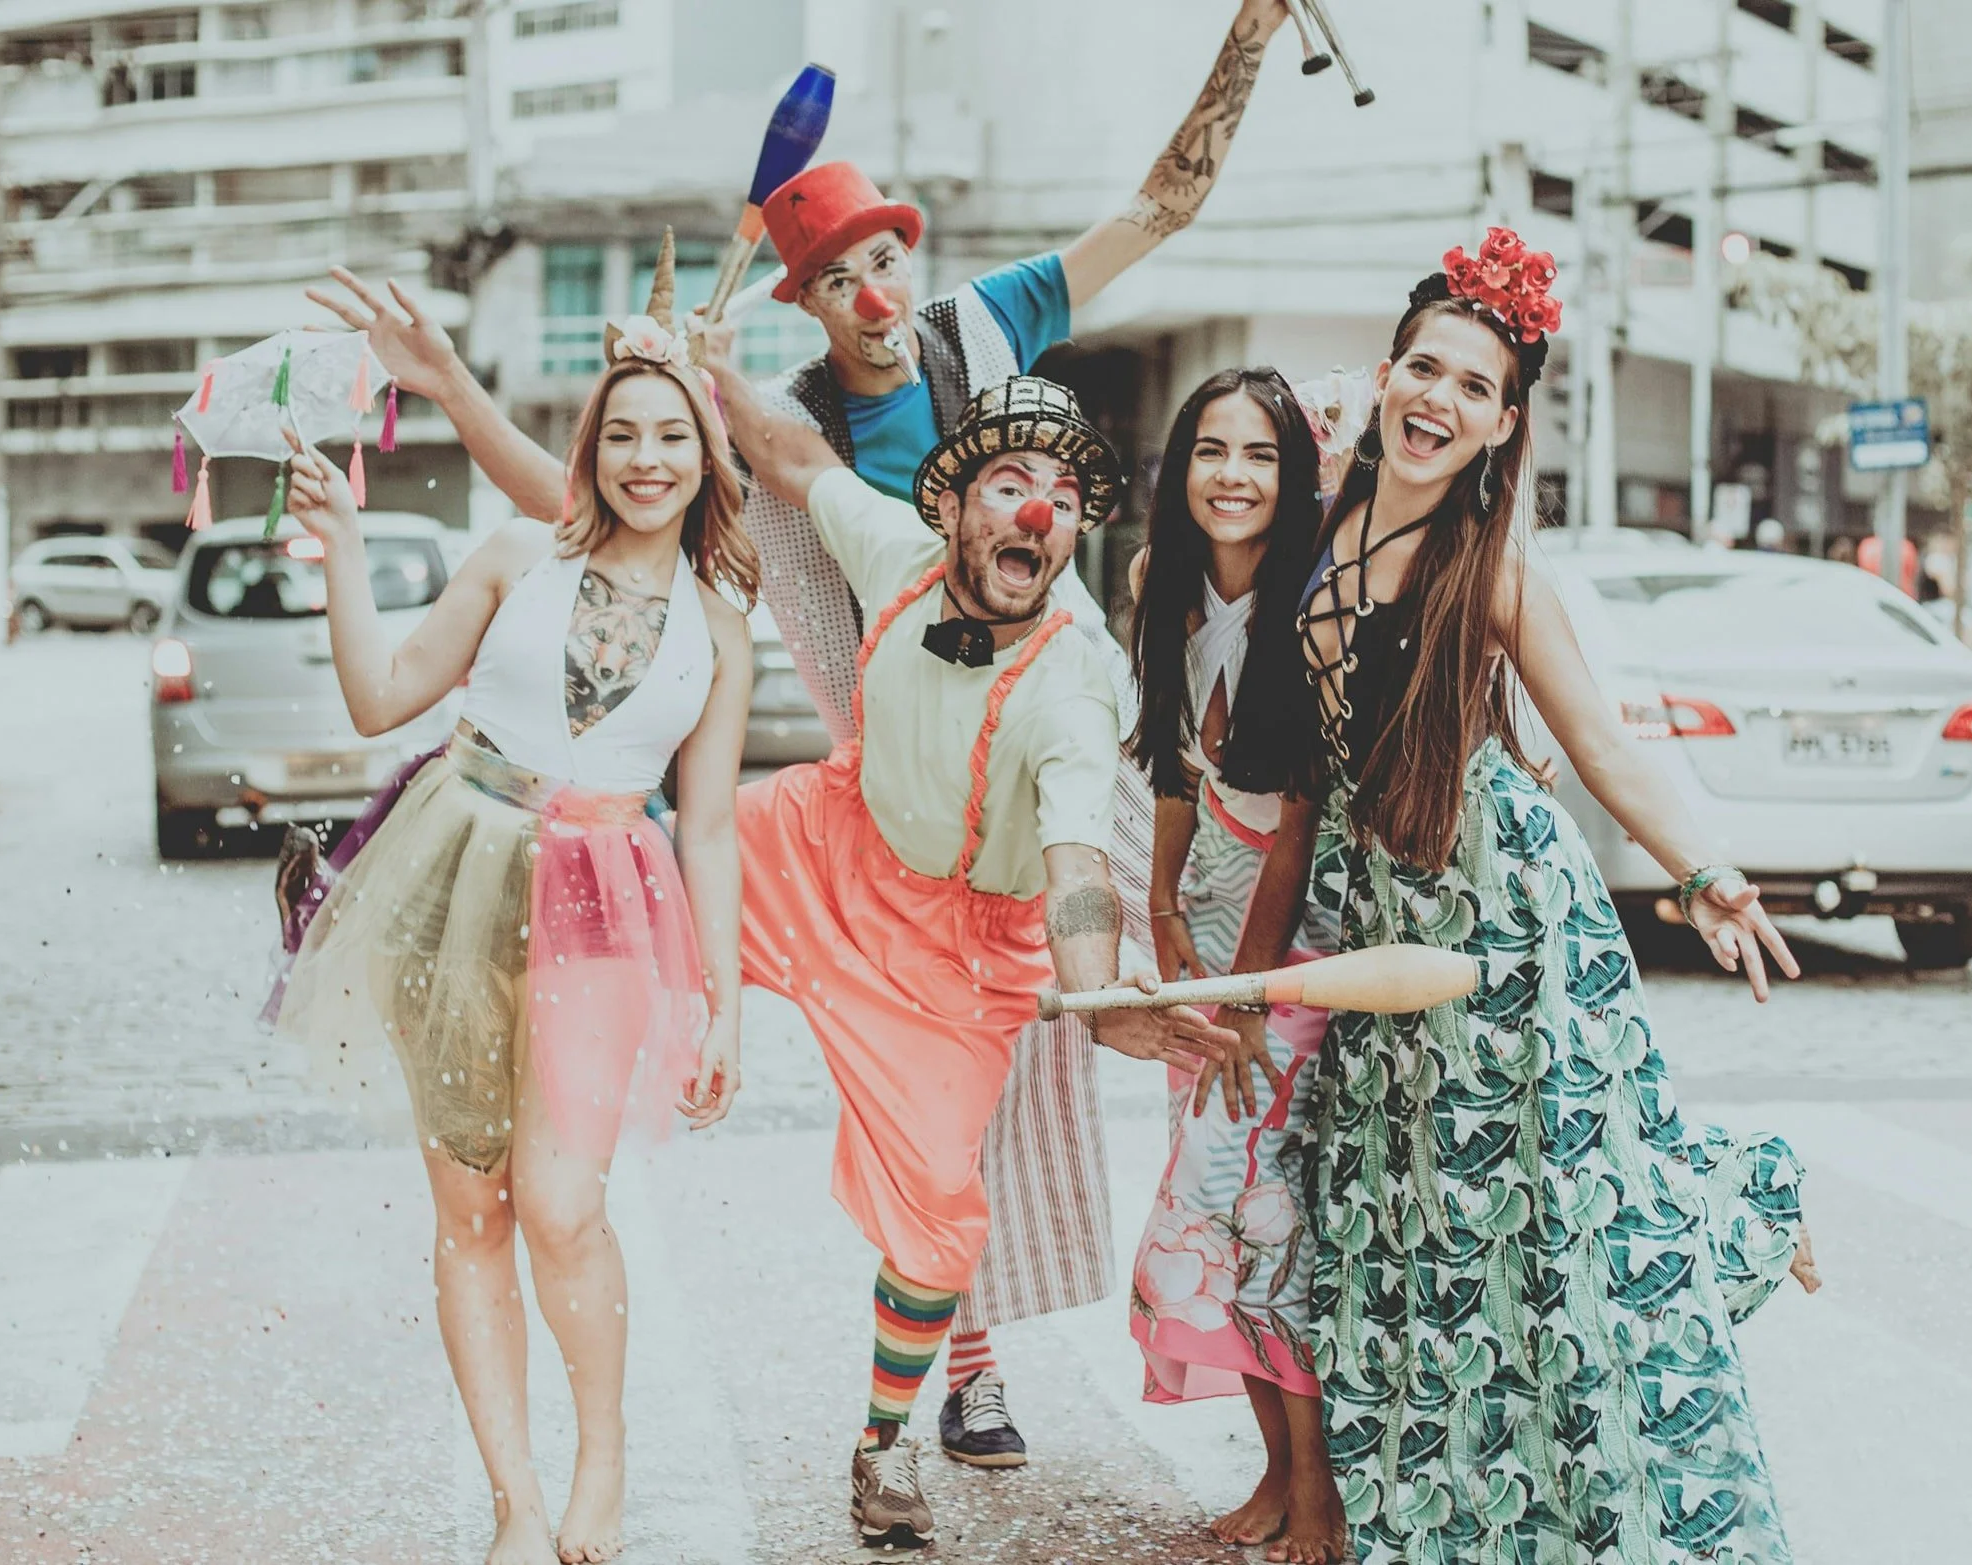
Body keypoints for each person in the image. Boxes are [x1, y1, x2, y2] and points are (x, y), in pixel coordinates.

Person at [307, 0, 1299, 1468]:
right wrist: (638, 393)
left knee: (991, 1092)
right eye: (836, 278)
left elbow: (1160, 203)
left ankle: (962, 1350)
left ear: (915, 259)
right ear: (808, 306)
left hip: (1019, 763)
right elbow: (577, 512)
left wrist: (1247, 38)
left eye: (885, 257)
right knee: (845, 1038)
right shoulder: (790, 440)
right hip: (867, 780)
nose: (874, 293)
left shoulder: (988, 321)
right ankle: (586, 1145)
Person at [1284, 229, 1820, 1562]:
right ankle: (1452, 1512)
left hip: (1512, 926)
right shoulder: (1306, 529)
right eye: (1423, 368)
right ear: (1384, 371)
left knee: (1565, 1216)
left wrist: (1704, 875)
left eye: (1473, 387)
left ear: (1502, 422)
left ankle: (1608, 1482)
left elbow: (1602, 744)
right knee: (1403, 1225)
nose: (1438, 400)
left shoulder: (1497, 574)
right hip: (1377, 928)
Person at [273, 251, 757, 1565]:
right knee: (467, 1206)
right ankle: (515, 1500)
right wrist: (348, 553)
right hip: (451, 875)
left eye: (673, 437)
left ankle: (600, 1457)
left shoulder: (720, 622)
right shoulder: (514, 555)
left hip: (606, 899)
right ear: (587, 448)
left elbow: (707, 825)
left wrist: (721, 1000)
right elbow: (381, 696)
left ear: (707, 458)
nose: (645, 459)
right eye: (621, 434)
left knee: (557, 1199)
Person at [716, 366, 1245, 1550]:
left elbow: (1075, 867)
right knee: (642, 874)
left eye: (1060, 492)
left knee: (940, 1219)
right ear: (950, 506)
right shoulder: (892, 553)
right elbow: (798, 464)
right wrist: (705, 374)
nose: (1039, 511)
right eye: (1010, 482)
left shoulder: (1073, 678)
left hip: (954, 966)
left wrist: (1101, 997)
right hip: (827, 847)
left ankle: (881, 1445)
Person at [1122, 368, 1348, 1563]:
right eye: (1210, 451)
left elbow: (1300, 816)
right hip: (1201, 944)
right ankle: (1274, 1468)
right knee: (1232, 1218)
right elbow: (1169, 764)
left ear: (1292, 473)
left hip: (1282, 951)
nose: (1231, 476)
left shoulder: (1310, 604)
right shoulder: (1164, 584)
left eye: (1258, 455)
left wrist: (1249, 991)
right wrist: (1157, 908)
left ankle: (1318, 1491)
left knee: (1244, 1215)